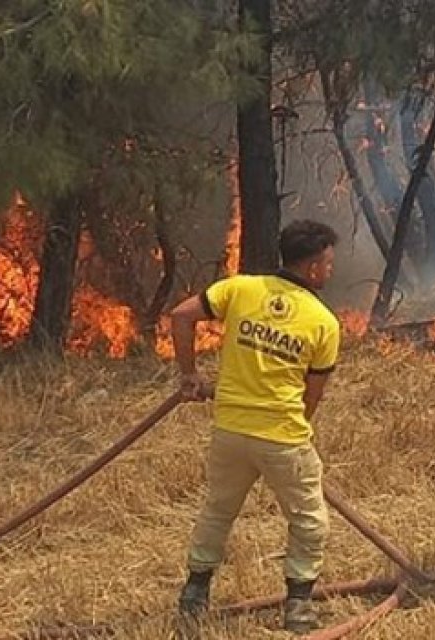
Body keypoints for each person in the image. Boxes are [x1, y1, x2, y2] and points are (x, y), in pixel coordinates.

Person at [170, 219, 342, 634]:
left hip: (228, 430)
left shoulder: (241, 289)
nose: (331, 271)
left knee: (217, 511)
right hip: (282, 438)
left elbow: (181, 315)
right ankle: (299, 604)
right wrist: (293, 430)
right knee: (309, 520)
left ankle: (195, 592)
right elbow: (311, 396)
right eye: (329, 263)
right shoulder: (323, 322)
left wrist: (189, 375)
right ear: (314, 266)